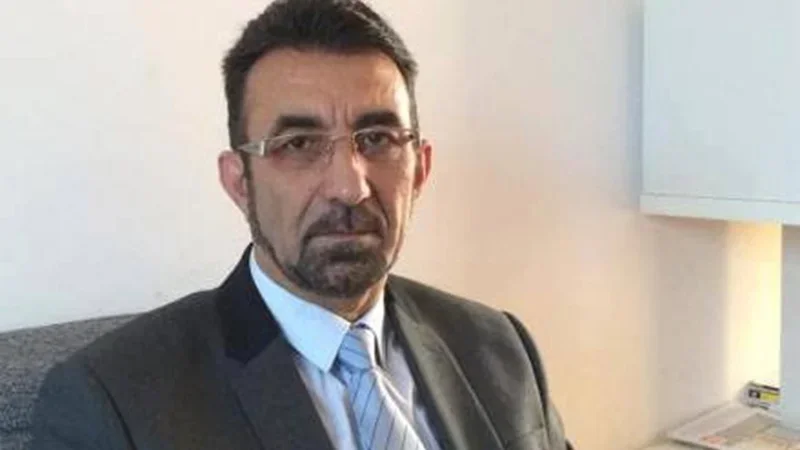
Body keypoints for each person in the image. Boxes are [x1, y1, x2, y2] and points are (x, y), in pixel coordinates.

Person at [31, 0, 572, 449]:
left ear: (421, 169)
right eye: (299, 144)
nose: (349, 187)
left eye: (378, 139)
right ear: (239, 182)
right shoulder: (112, 402)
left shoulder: (500, 348)